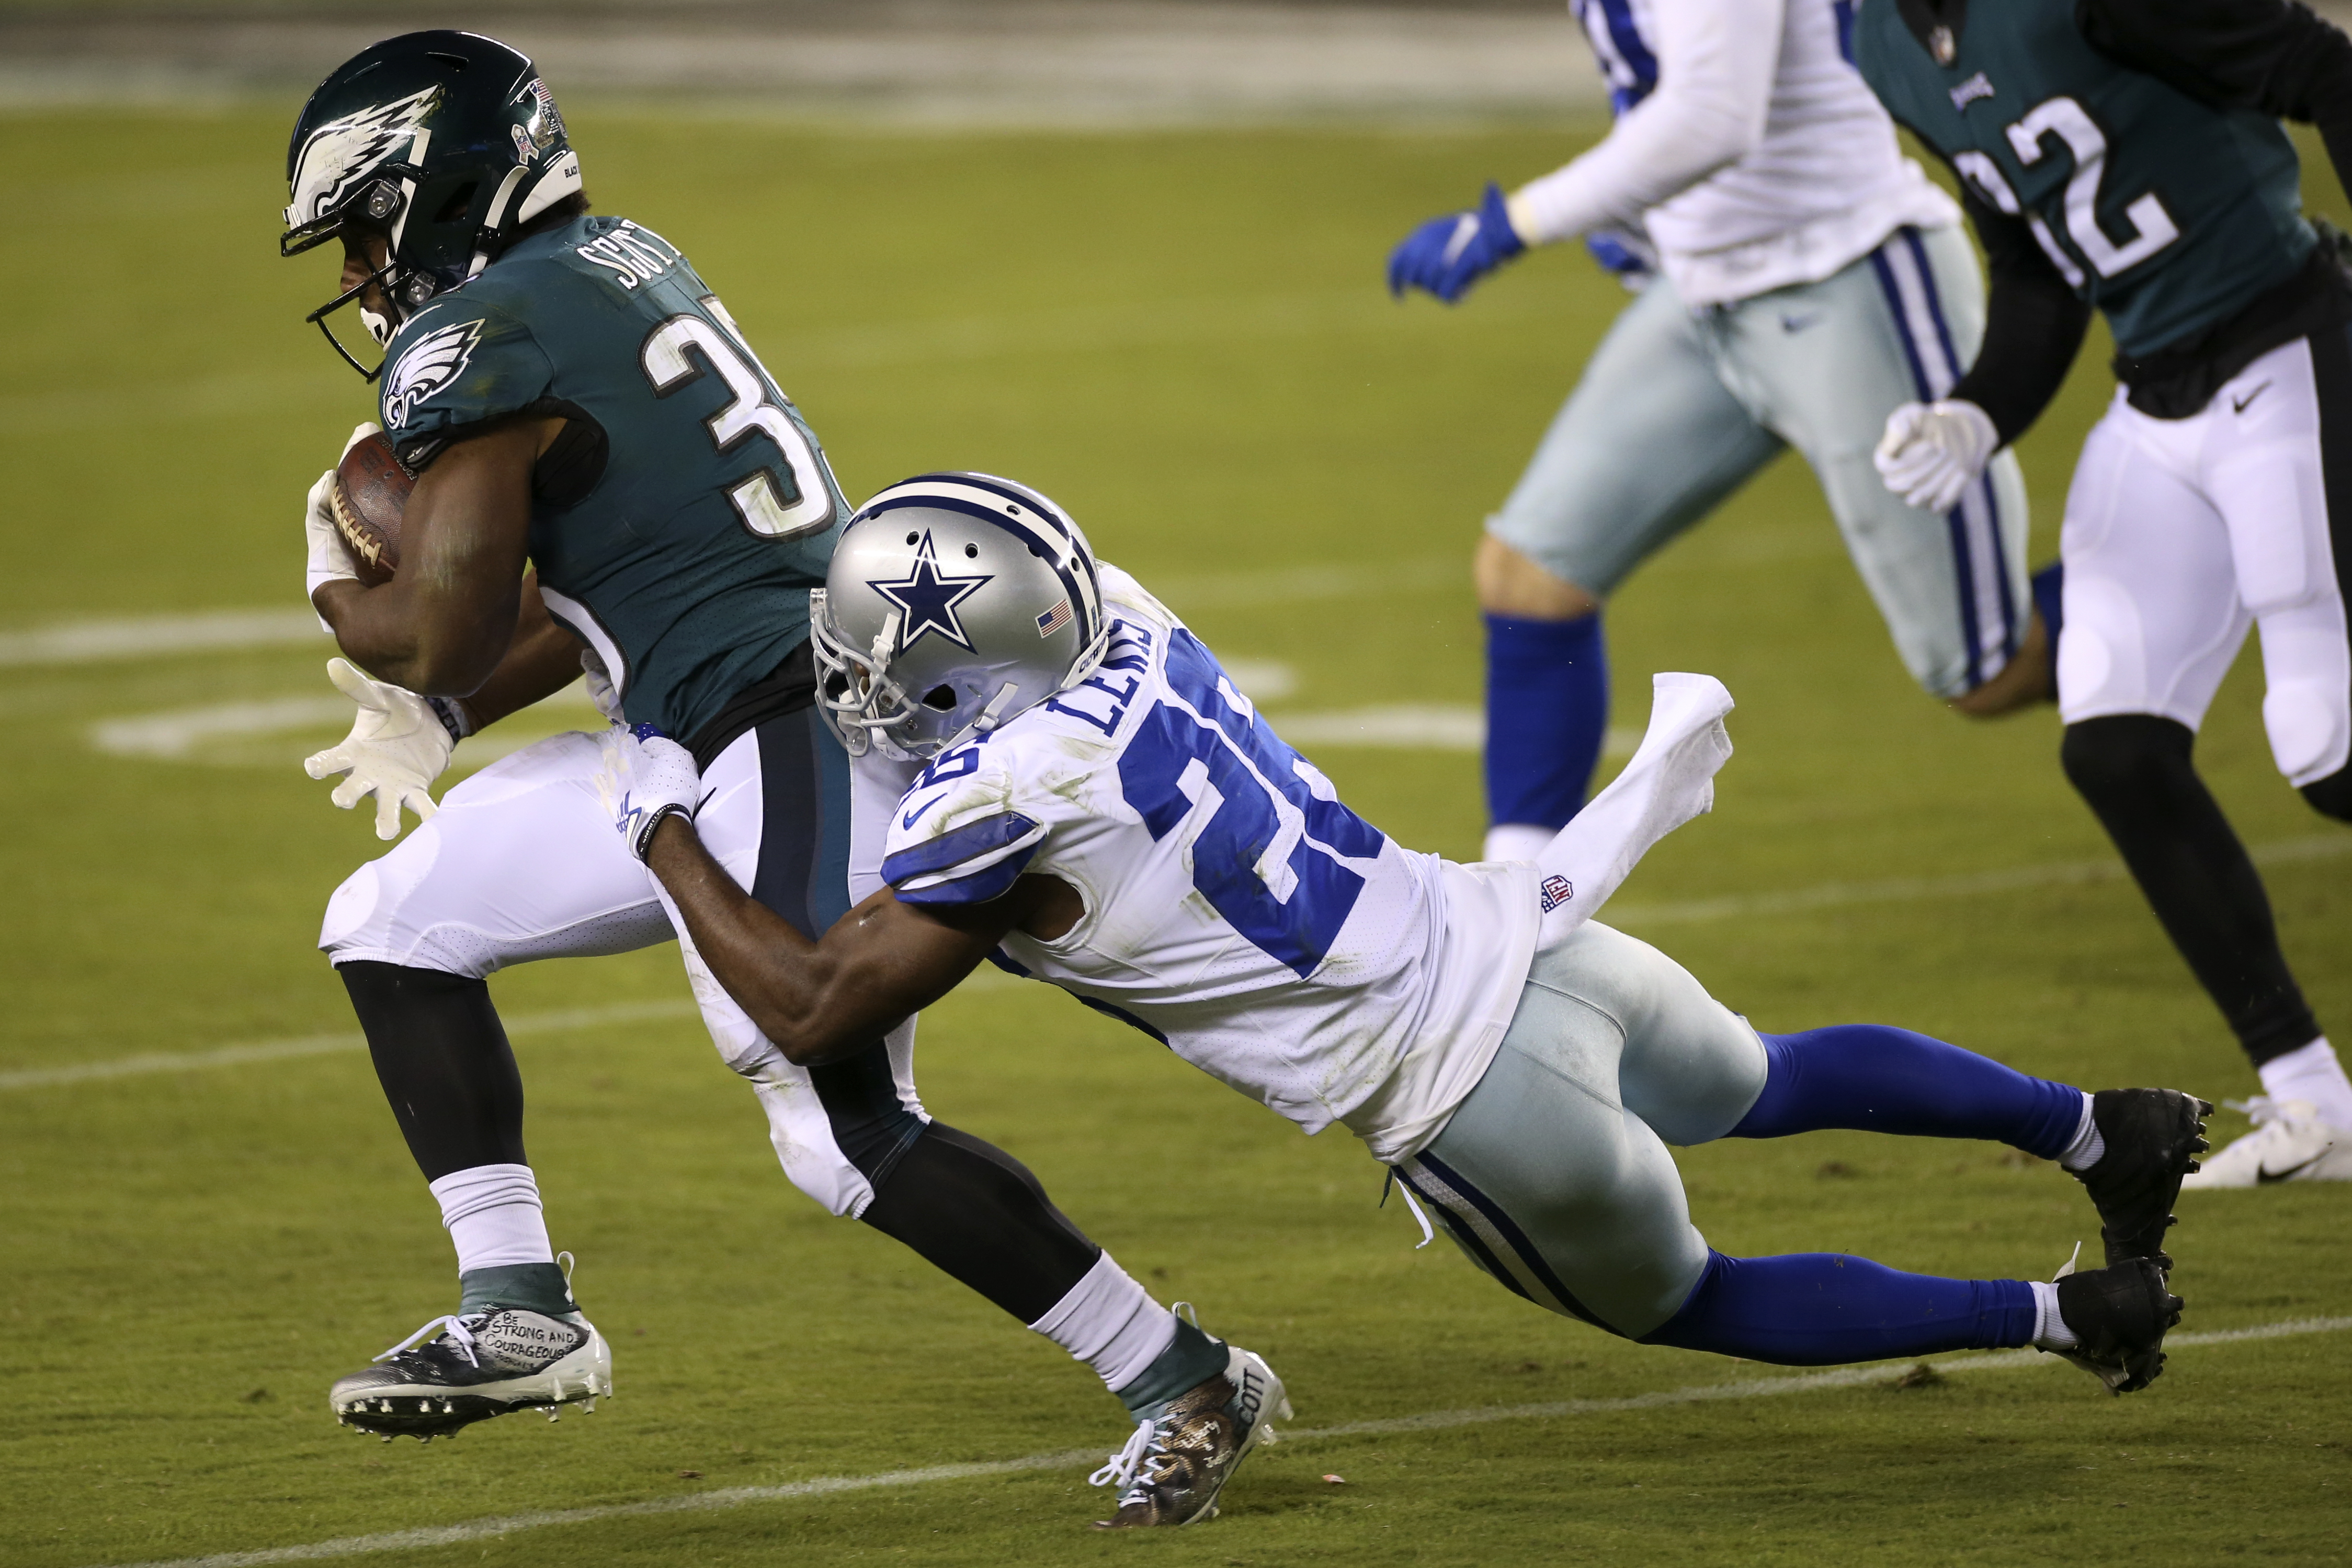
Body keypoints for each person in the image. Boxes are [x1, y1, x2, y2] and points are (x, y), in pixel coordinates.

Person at [598, 471, 2210, 1520]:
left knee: (1691, 1294)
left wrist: (663, 828)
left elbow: (812, 1006)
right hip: (1534, 940)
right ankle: (2101, 1125)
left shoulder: (994, 798)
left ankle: (2070, 1314)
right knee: (1768, 1074)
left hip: (1465, 1096)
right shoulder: (1126, 611)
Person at [280, 33, 1271, 1490]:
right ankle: (520, 1309)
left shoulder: (480, 335)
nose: (366, 270)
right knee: (387, 920)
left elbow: (441, 628)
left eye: (370, 223)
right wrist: (445, 714)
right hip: (705, 720)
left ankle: (1181, 1376)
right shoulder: (619, 260)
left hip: (775, 729)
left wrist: (336, 584)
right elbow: (627, 576)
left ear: (438, 188)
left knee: (844, 1131)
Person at [1855, 0, 2352, 1186]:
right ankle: (2312, 1102)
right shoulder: (1883, 43)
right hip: (2155, 400)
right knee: (2115, 749)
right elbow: (2035, 271)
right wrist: (1977, 409)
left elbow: (2321, 65)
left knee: (2330, 750)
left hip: (2284, 348)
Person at [1385, 0, 2049, 867]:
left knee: (1988, 672)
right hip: (1709, 290)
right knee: (1530, 579)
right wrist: (1640, 221)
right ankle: (1517, 915)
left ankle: (2191, 589)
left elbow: (1713, 113)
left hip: (1844, 272)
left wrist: (1521, 221)